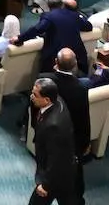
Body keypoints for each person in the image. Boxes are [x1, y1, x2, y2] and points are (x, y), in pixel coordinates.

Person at [43, 49, 91, 204]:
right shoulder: (81, 89)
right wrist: (84, 144)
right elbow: (84, 119)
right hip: (72, 141)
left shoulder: (44, 81)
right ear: (75, 65)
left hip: (48, 138)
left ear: (55, 63)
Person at [29, 77, 77, 205]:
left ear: (46, 100)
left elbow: (56, 159)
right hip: (66, 171)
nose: (31, 96)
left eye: (35, 95)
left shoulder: (53, 126)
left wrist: (45, 185)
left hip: (56, 176)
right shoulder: (57, 100)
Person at [14, 0, 93, 74]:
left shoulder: (48, 16)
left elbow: (38, 29)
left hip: (55, 57)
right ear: (62, 5)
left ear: (48, 6)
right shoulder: (75, 15)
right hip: (77, 55)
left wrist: (20, 38)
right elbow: (89, 27)